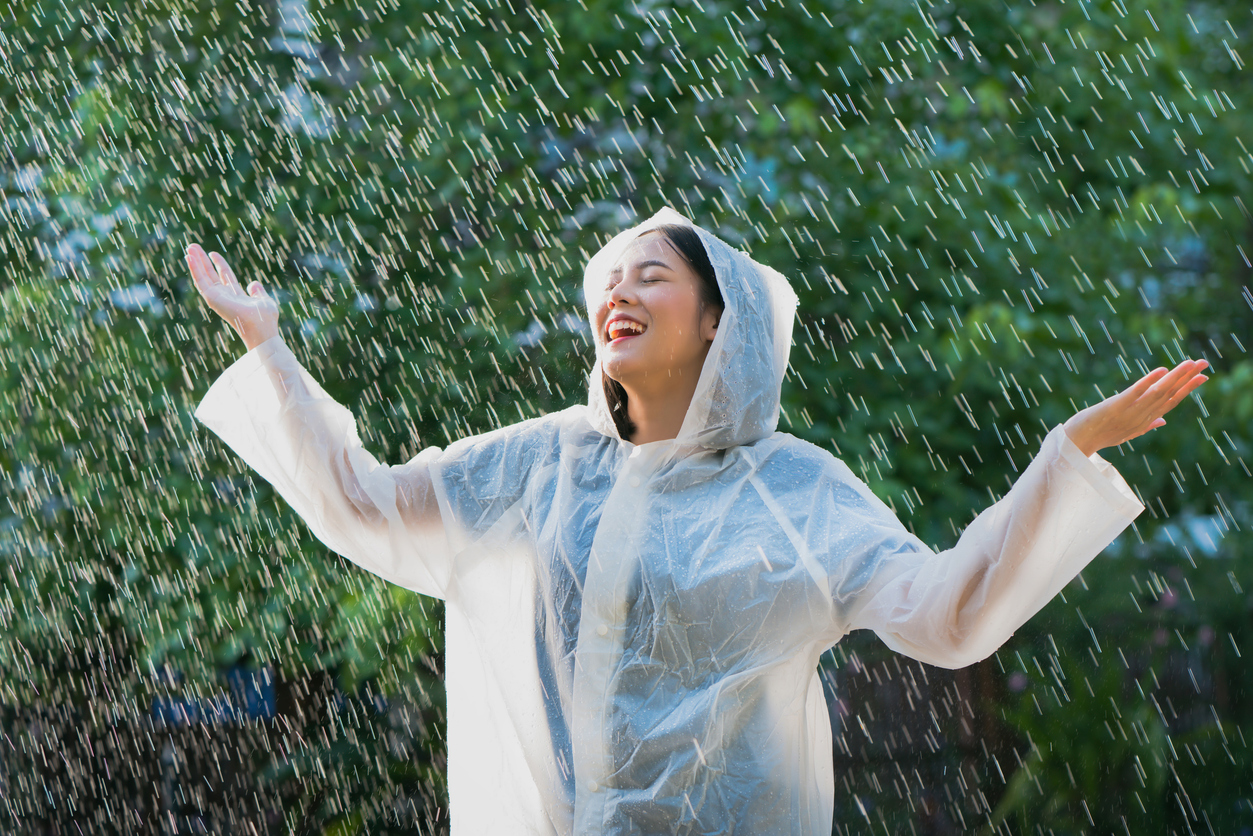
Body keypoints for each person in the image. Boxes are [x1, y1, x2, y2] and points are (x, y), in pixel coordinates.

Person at [188, 206, 1208, 835]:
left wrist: (1058, 459)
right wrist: (269, 347)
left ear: (719, 317)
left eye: (651, 273)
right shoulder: (536, 464)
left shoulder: (793, 488)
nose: (616, 292)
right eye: (607, 279)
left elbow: (943, 611)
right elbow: (366, 502)